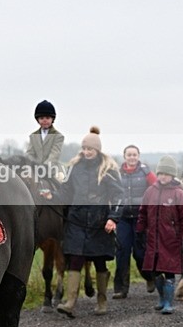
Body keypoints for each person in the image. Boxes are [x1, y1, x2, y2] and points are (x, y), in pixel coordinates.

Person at [41, 126, 123, 317]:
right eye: (84, 149)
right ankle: (70, 302)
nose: (86, 152)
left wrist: (113, 218)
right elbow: (65, 191)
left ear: (97, 150)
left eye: (90, 149)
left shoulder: (108, 169)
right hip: (76, 221)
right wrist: (51, 196)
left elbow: (119, 195)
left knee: (100, 262)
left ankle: (101, 302)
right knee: (75, 260)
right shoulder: (74, 168)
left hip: (99, 223)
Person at [136, 156, 183, 314]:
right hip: (153, 239)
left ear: (172, 175)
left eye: (166, 174)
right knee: (154, 271)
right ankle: (161, 298)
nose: (163, 177)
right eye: (161, 173)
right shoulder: (150, 192)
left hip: (171, 240)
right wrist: (140, 231)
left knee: (168, 271)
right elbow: (143, 213)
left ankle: (168, 302)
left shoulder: (179, 194)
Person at [113, 145, 157, 298]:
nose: (132, 157)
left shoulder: (146, 172)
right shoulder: (117, 174)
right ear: (124, 156)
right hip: (123, 218)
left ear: (138, 156)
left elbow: (157, 189)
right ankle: (120, 288)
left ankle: (149, 277)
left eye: (134, 155)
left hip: (140, 218)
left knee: (140, 253)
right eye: (129, 155)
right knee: (122, 252)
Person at [25, 100, 65, 181]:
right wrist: (33, 165)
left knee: (61, 180)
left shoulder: (58, 136)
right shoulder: (33, 136)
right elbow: (30, 153)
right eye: (41, 118)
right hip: (35, 170)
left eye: (47, 118)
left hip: (52, 170)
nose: (44, 120)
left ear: (52, 119)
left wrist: (44, 168)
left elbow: (54, 154)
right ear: (38, 119)